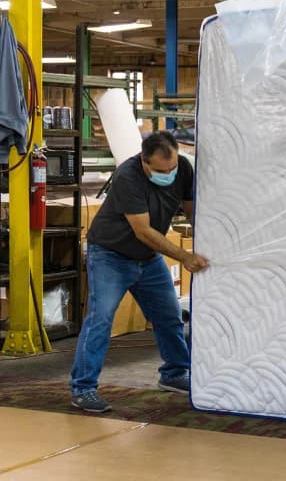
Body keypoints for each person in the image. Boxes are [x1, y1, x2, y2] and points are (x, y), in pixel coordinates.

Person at [70, 132, 208, 413]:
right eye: (160, 171)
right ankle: (82, 388)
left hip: (147, 257)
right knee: (100, 319)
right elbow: (143, 231)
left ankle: (174, 373)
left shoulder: (183, 168)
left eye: (171, 169)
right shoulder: (128, 176)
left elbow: (193, 212)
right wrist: (185, 256)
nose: (168, 175)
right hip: (111, 255)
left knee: (169, 316)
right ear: (144, 162)